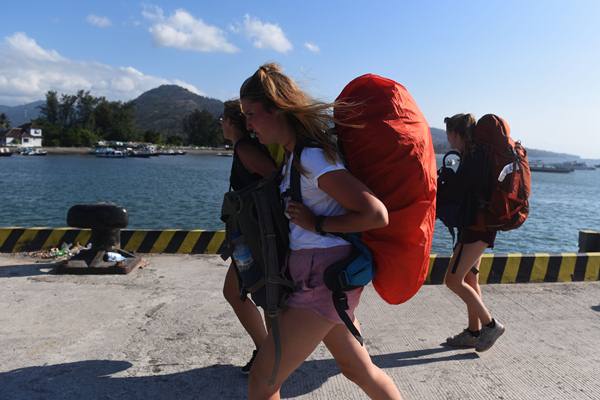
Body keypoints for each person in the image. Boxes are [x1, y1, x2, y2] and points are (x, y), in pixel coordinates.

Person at [240, 63, 403, 400]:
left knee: (262, 380)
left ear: (277, 110)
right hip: (318, 279)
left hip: (321, 284)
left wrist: (317, 224)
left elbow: (375, 214)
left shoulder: (311, 158)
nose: (248, 124)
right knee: (359, 370)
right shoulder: (292, 157)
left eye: (252, 114)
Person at [221, 99, 277, 374]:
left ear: (232, 123)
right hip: (249, 236)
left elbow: (275, 179)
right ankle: (268, 350)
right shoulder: (242, 148)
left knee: (261, 295)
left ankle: (270, 354)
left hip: (256, 238)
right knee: (240, 292)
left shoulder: (245, 148)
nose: (221, 124)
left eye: (223, 119)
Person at [442, 113, 505, 352]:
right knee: (470, 279)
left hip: (476, 228)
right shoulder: (477, 154)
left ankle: (490, 325)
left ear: (456, 133)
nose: (447, 138)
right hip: (479, 226)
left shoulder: (473, 157)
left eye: (448, 133)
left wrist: (447, 178)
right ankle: (472, 332)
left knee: (452, 280)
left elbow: (462, 190)